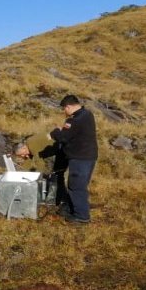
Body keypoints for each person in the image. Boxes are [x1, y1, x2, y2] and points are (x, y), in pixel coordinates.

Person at [50, 95, 97, 223]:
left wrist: (55, 131)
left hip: (79, 158)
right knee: (81, 185)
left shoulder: (73, 121)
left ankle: (81, 217)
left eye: (64, 109)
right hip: (89, 157)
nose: (64, 112)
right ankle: (71, 207)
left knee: (76, 186)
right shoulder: (87, 114)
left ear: (68, 107)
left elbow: (63, 138)